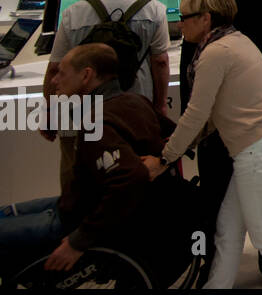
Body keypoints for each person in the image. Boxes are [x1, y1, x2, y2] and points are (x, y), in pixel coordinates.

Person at [146, 0, 262, 288]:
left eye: (185, 18)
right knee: (228, 231)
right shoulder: (232, 41)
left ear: (205, 19)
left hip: (257, 150)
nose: (180, 25)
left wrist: (165, 158)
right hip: (257, 146)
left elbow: (197, 114)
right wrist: (174, 148)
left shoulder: (216, 52)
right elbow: (208, 116)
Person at [0, 45, 178, 280]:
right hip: (76, 203)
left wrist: (77, 242)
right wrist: (162, 160)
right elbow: (174, 136)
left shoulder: (98, 122)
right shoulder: (135, 100)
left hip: (79, 219)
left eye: (61, 73)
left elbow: (130, 177)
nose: (54, 81)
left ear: (86, 75)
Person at [43, 0, 170, 188]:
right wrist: (160, 106)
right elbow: (160, 62)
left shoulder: (74, 12)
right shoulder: (155, 10)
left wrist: (51, 111)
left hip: (80, 115)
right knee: (133, 183)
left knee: (77, 185)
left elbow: (54, 69)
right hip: (134, 113)